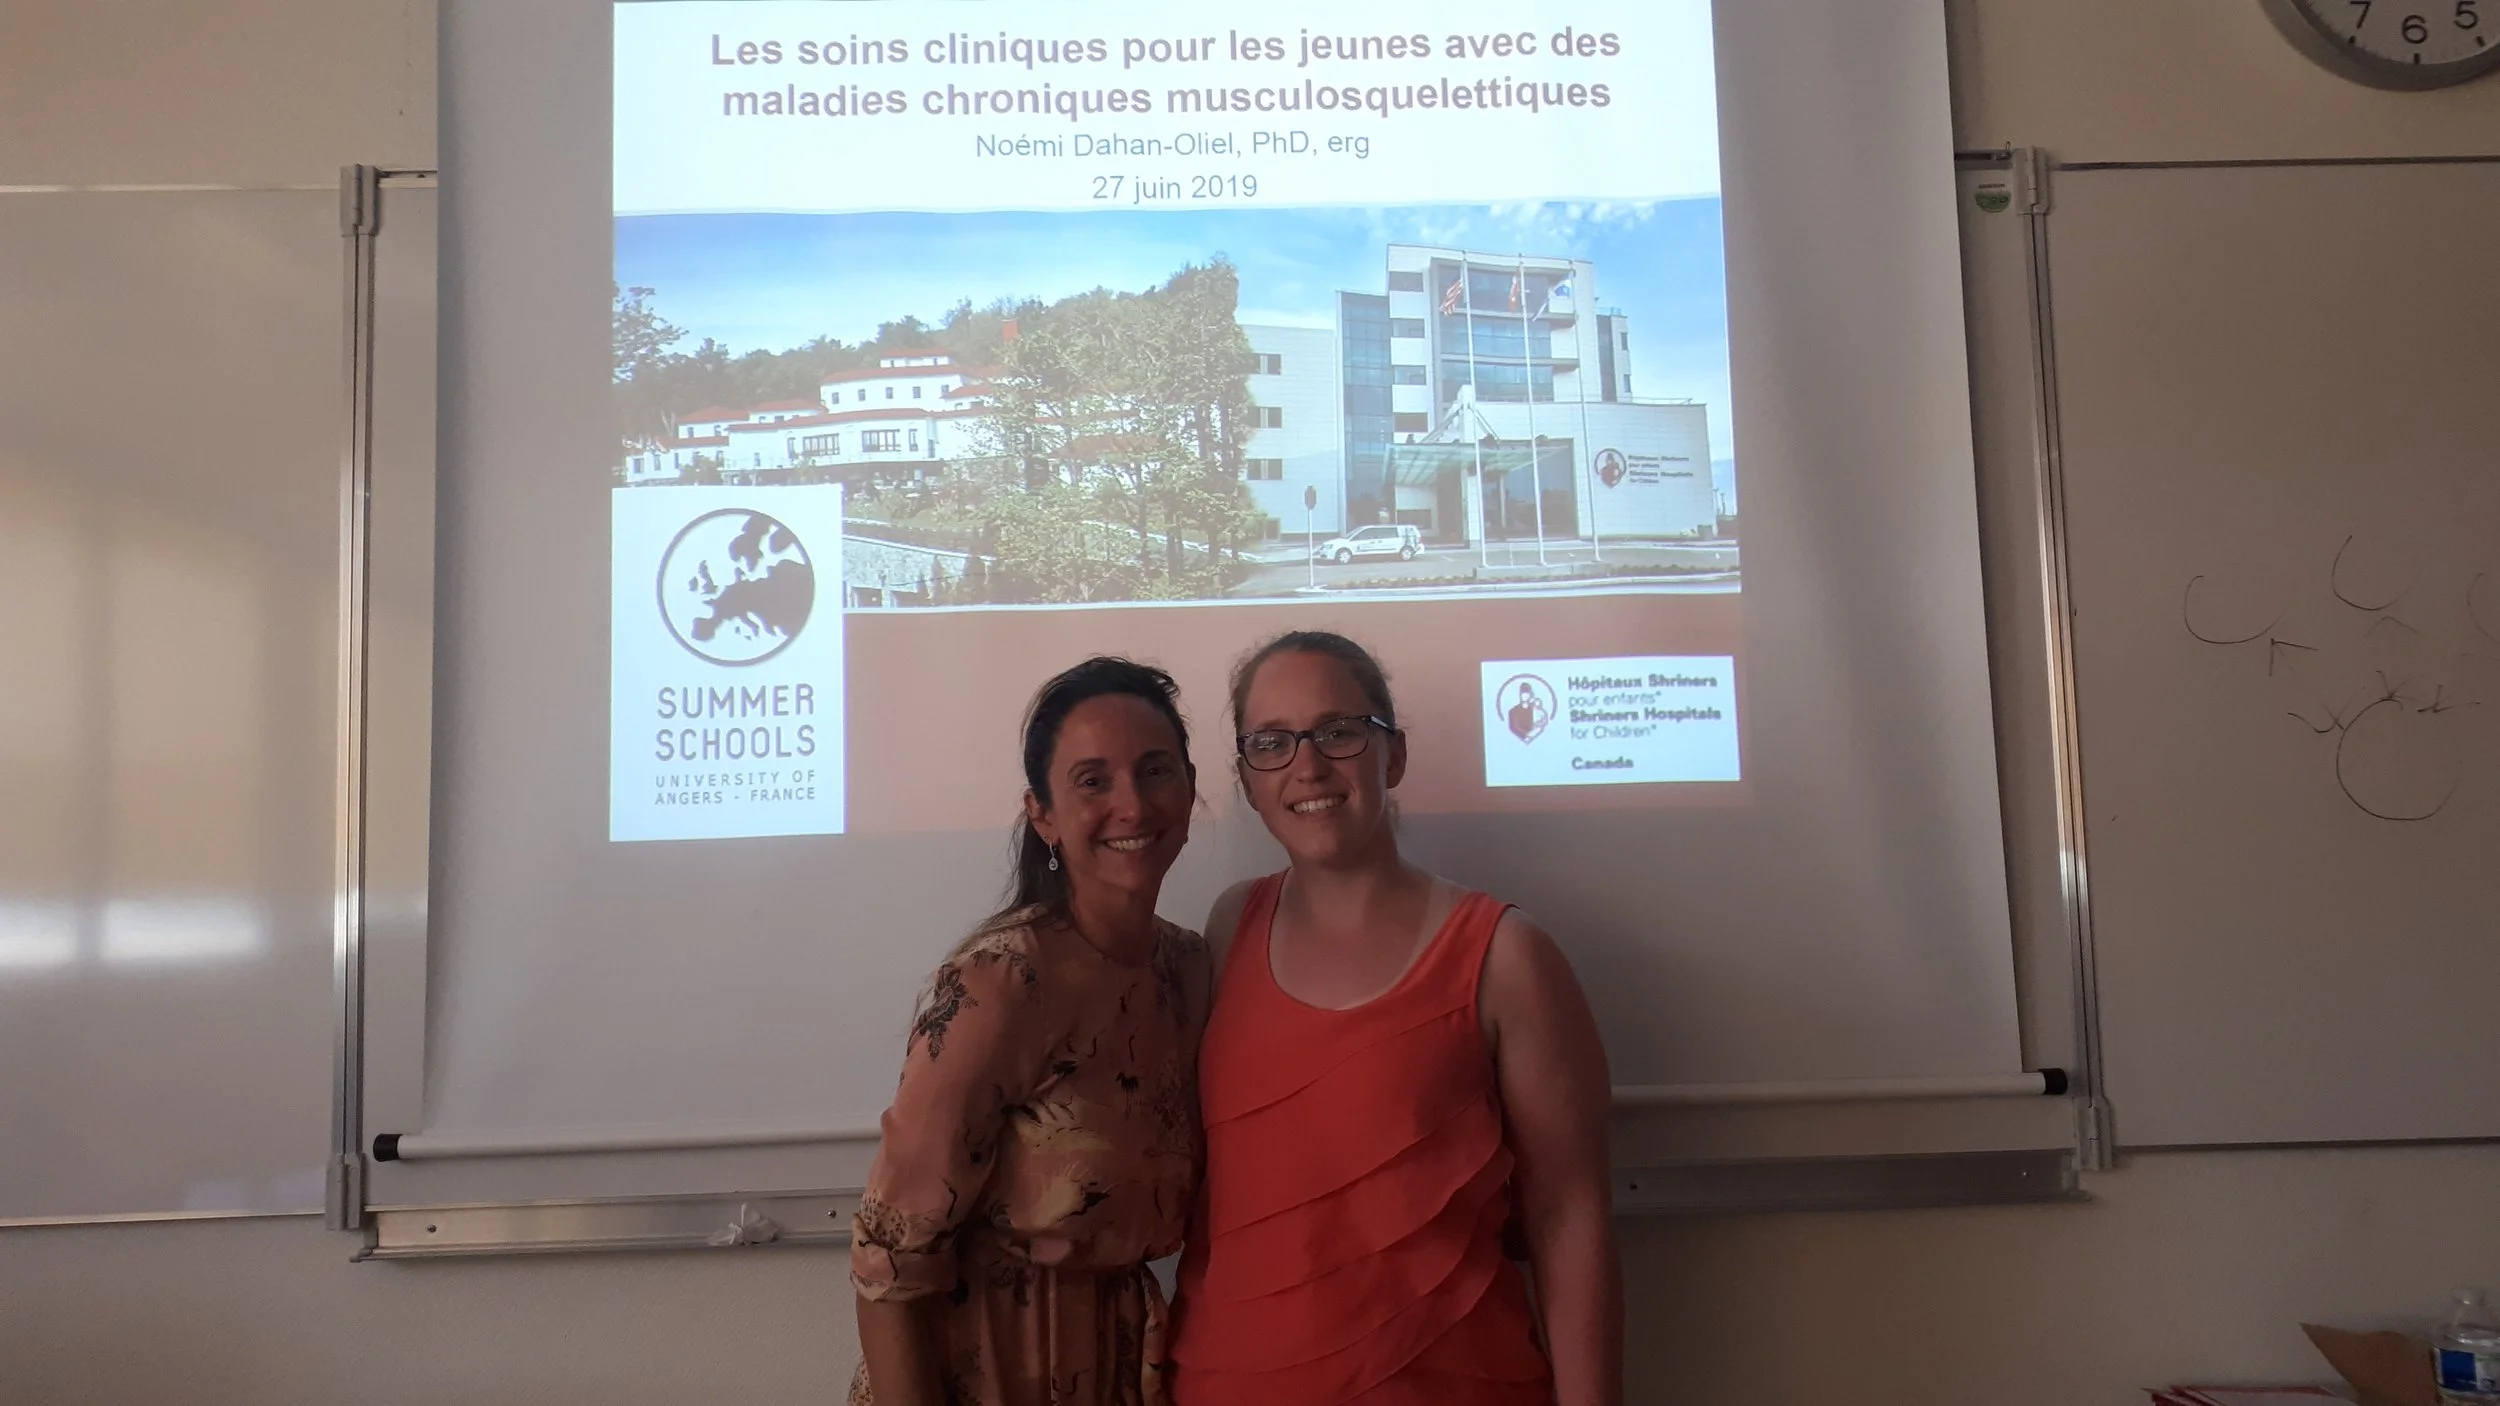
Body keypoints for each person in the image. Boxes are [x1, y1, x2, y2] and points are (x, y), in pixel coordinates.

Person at [1170, 631, 1622, 1406]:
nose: (1307, 766)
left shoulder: (1505, 956)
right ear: (1247, 779)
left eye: (1339, 732)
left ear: (1395, 757)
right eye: (1273, 742)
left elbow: (1568, 1219)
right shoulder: (1226, 926)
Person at [850, 657, 1210, 1406]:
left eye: (1155, 771)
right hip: (981, 1367)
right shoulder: (1001, 982)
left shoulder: (1190, 970)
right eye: (1092, 781)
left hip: (1126, 1364)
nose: (1133, 805)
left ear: (1190, 786)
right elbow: (888, 1259)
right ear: (1041, 812)